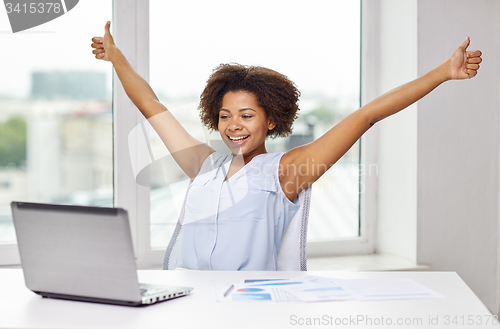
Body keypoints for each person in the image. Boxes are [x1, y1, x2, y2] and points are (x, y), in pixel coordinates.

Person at [91, 21, 482, 270]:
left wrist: (442, 73)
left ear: (271, 119)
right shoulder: (203, 166)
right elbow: (150, 104)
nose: (233, 126)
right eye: (225, 115)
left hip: (249, 309)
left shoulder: (284, 173)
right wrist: (116, 57)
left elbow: (366, 115)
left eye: (246, 115)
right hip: (191, 305)